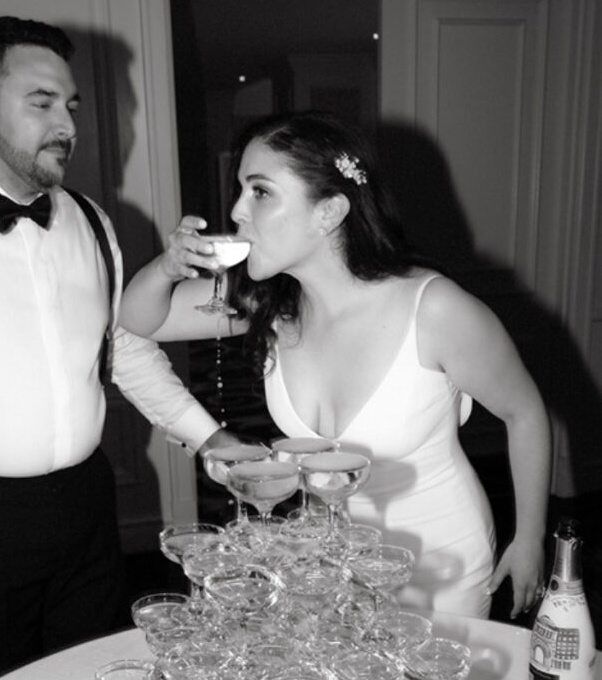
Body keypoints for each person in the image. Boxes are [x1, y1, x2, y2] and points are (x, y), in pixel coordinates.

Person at [119, 110, 552, 620]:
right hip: (333, 564)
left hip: (440, 566)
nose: (236, 211)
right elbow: (143, 317)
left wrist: (529, 539)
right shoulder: (271, 306)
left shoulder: (434, 310)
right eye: (241, 190)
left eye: (259, 192)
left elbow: (525, 414)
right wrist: (166, 267)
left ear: (328, 212)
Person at [0, 16, 233, 680]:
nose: (66, 122)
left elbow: (121, 347)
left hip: (87, 511)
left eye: (71, 105)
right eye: (41, 102)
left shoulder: (91, 220)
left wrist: (208, 436)